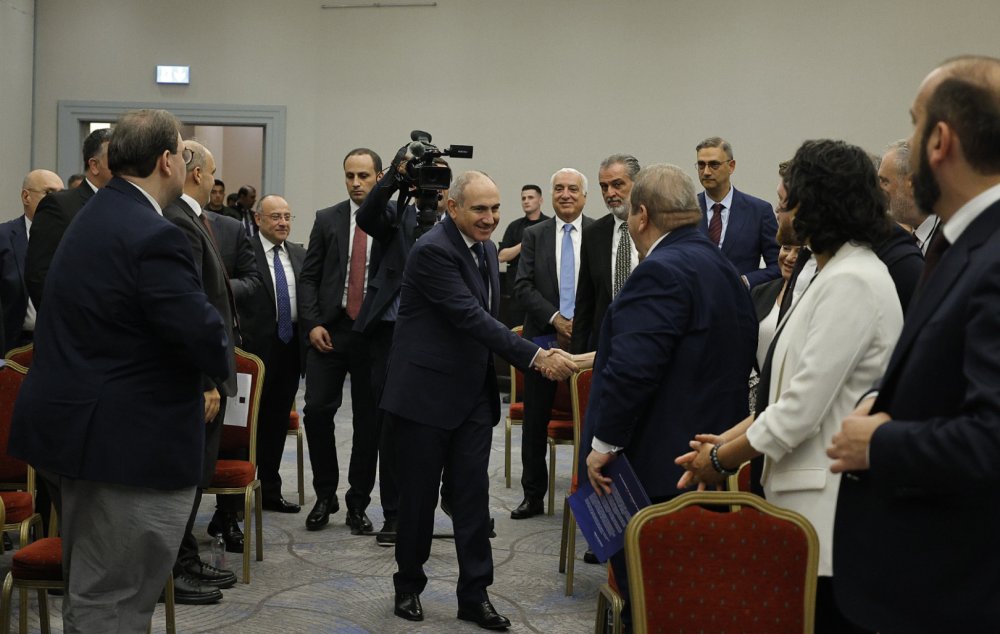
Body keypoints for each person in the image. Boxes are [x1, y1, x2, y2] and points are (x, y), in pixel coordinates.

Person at [8, 108, 228, 633]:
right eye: (182, 153)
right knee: (114, 600)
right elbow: (203, 335)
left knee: (98, 594)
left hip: (89, 432)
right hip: (126, 445)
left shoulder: (98, 212)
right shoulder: (153, 233)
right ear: (166, 160)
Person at [677, 139, 904, 632]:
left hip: (828, 518)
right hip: (800, 508)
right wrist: (725, 439)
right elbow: (782, 395)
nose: (778, 211)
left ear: (815, 205)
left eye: (786, 200)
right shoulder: (826, 275)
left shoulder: (853, 280)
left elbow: (799, 409)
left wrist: (721, 459)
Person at [828, 55, 1000, 632]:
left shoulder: (992, 256)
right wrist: (883, 399)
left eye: (914, 122)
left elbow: (992, 438)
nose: (909, 140)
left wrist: (881, 442)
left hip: (957, 593)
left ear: (940, 141)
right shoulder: (962, 243)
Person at [382, 170, 575, 628]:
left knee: (473, 499)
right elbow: (471, 317)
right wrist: (536, 357)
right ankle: (408, 585)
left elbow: (485, 320)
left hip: (471, 396)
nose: (490, 219)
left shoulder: (487, 248)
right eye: (480, 210)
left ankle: (474, 595)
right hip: (425, 398)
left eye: (495, 209)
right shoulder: (432, 250)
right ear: (452, 207)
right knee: (418, 501)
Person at [583, 163, 756, 624]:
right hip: (710, 463)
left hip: (654, 473)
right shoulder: (723, 267)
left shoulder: (659, 270)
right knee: (693, 598)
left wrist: (603, 445)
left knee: (650, 601)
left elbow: (632, 370)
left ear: (641, 215)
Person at [162, 140, 242, 603]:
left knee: (199, 471)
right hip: (201, 378)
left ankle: (186, 556)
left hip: (212, 368)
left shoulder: (191, 217)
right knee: (189, 475)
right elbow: (192, 308)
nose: (214, 179)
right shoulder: (179, 220)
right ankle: (175, 567)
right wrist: (207, 380)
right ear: (196, 174)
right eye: (211, 171)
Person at [298, 149, 379, 534]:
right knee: (316, 411)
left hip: (372, 333)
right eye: (350, 175)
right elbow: (309, 276)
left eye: (363, 175)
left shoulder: (391, 218)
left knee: (369, 421)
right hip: (329, 331)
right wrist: (312, 323)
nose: (356, 183)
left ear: (379, 177)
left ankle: (357, 503)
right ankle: (325, 494)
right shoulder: (327, 218)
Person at [512, 168, 594, 519]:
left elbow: (605, 288)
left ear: (584, 196)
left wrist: (579, 324)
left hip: (588, 341)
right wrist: (556, 319)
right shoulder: (534, 234)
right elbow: (522, 286)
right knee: (535, 422)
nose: (565, 194)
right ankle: (532, 495)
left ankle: (591, 495)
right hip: (543, 340)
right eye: (559, 188)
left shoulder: (599, 233)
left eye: (573, 189)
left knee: (593, 421)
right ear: (551, 195)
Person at [243, 195, 307, 514]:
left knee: (277, 421)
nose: (283, 223)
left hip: (289, 348)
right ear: (258, 219)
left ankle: (270, 490)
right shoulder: (245, 252)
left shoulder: (299, 253)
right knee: (247, 424)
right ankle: (237, 495)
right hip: (254, 352)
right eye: (275, 217)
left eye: (287, 217)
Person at [25, 127, 111, 308]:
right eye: (115, 159)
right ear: (94, 165)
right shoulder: (60, 205)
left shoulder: (127, 206)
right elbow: (39, 275)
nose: (124, 166)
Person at [570, 154, 640, 355]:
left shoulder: (656, 228)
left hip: (647, 343)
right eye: (604, 186)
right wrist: (576, 357)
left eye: (617, 184)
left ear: (638, 184)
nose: (610, 193)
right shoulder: (593, 234)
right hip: (604, 348)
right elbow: (585, 303)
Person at [695, 136, 780, 288]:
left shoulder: (759, 212)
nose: (706, 172)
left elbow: (778, 266)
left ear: (731, 166)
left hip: (740, 300)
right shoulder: (686, 211)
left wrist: (745, 281)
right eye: (701, 165)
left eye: (714, 165)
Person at [0, 169, 63, 353]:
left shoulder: (71, 239)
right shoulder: (4, 237)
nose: (57, 201)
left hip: (58, 344)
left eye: (62, 194)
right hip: (13, 344)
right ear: (26, 196)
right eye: (49, 193)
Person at [497, 184, 548, 326]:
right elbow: (501, 256)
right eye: (523, 198)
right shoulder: (514, 226)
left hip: (543, 293)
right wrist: (525, 242)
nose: (526, 201)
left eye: (530, 197)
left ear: (540, 200)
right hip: (517, 292)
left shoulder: (549, 225)